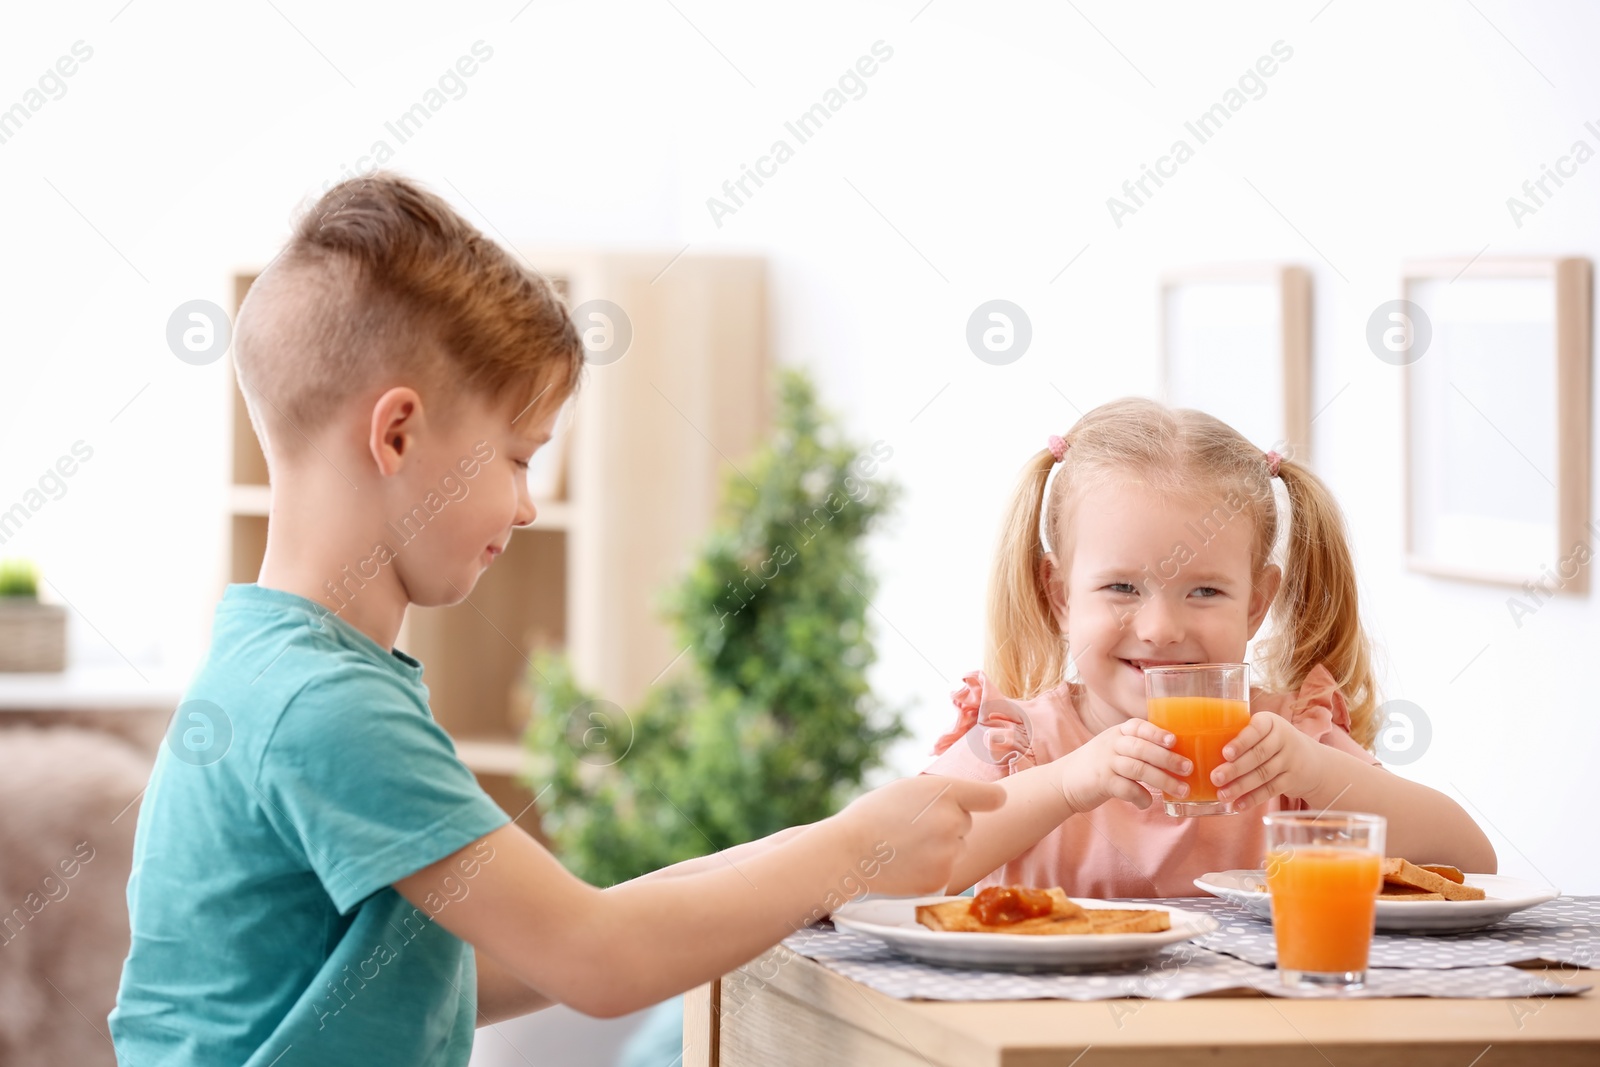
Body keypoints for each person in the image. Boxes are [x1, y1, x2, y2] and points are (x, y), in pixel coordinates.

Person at [109, 173, 1003, 1067]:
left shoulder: (285, 670)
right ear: (397, 435)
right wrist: (849, 850)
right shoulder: (324, 704)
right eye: (516, 456)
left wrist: (820, 849)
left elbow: (483, 964)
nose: (527, 505)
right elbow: (600, 958)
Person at [926, 398, 1495, 897]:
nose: (1161, 629)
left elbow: (1470, 863)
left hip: (1254, 1019)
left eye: (1205, 591)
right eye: (1122, 587)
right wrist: (1066, 785)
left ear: (1255, 605)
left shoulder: (1284, 747)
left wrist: (1319, 774)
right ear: (1060, 596)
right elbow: (875, 874)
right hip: (1057, 1019)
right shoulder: (1019, 744)